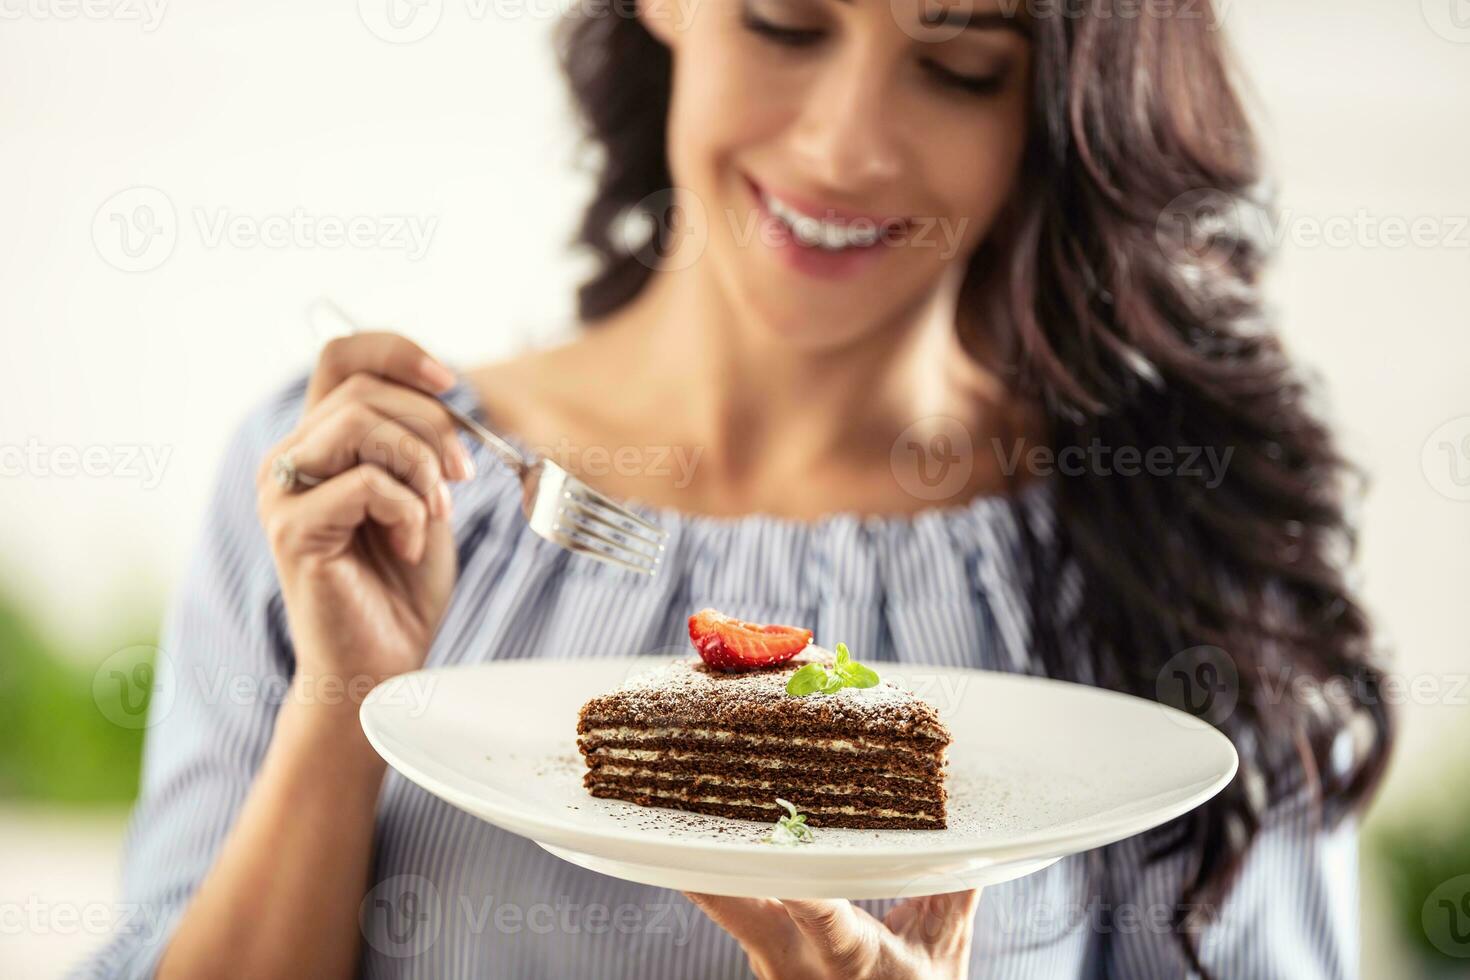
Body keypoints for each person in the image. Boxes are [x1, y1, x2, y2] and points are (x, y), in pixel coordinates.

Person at [79, 0, 1392, 976]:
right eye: (782, 22)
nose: (842, 148)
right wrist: (344, 702)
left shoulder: (1167, 550)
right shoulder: (358, 493)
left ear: (1050, 99)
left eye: (956, 66)